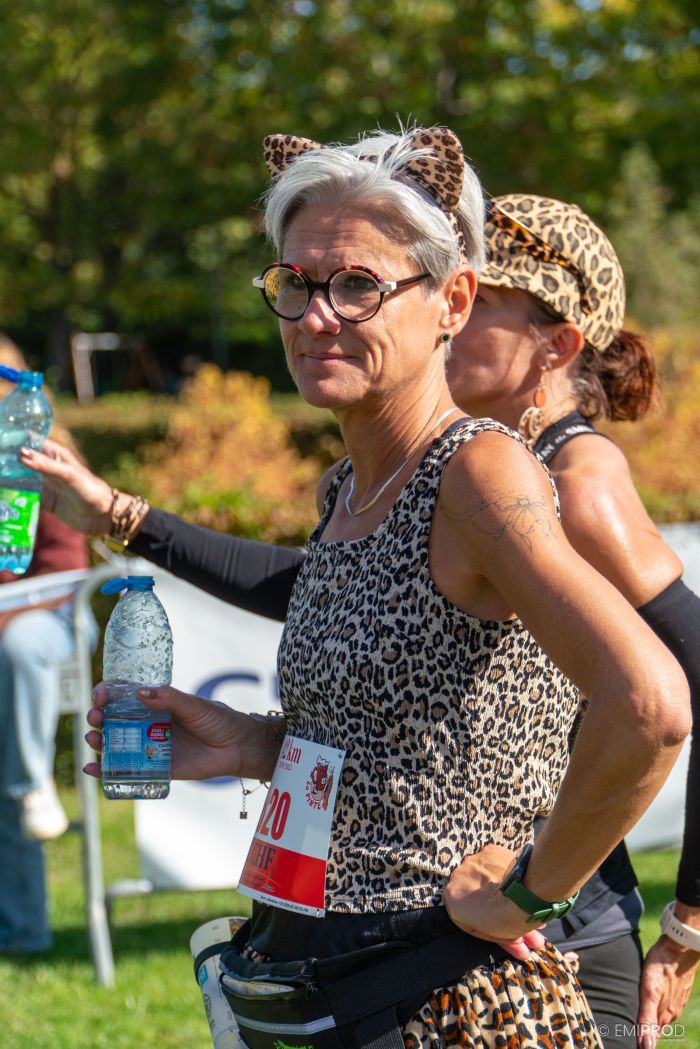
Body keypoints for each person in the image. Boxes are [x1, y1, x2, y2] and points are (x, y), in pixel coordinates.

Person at [21, 127, 689, 1048]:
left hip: (447, 1001)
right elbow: (406, 749)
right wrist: (255, 744)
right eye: (294, 283)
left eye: (357, 286)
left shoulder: (479, 473)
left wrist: (535, 887)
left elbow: (651, 705)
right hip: (324, 978)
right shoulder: (350, 487)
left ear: (452, 300)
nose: (315, 316)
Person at [444, 193, 700, 1048]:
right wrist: (128, 516)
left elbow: (689, 683)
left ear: (556, 345)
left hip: (561, 936)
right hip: (473, 922)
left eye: (477, 302)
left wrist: (690, 923)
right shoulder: (481, 467)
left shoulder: (578, 482)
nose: (446, 317)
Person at [0, 336, 90, 953]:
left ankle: (35, 783)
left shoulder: (40, 458)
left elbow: (65, 572)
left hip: (47, 619)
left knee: (22, 645)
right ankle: (22, 931)